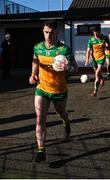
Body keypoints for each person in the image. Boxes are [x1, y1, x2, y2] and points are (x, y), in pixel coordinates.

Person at [29, 20, 78, 163]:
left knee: (61, 113)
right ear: (43, 31)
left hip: (59, 90)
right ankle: (41, 150)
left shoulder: (64, 50)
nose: (48, 35)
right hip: (42, 89)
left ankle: (66, 123)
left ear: (56, 32)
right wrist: (33, 75)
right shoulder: (37, 47)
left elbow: (76, 68)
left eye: (51, 33)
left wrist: (68, 68)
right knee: (40, 118)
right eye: (46, 32)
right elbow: (35, 62)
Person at [85, 27, 110, 97]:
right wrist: (87, 59)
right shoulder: (91, 40)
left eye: (97, 32)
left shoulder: (105, 38)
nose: (95, 34)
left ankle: (95, 91)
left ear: (100, 31)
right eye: (94, 32)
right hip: (94, 58)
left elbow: (109, 46)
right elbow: (88, 51)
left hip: (101, 57)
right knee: (97, 73)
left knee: (96, 74)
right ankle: (102, 78)